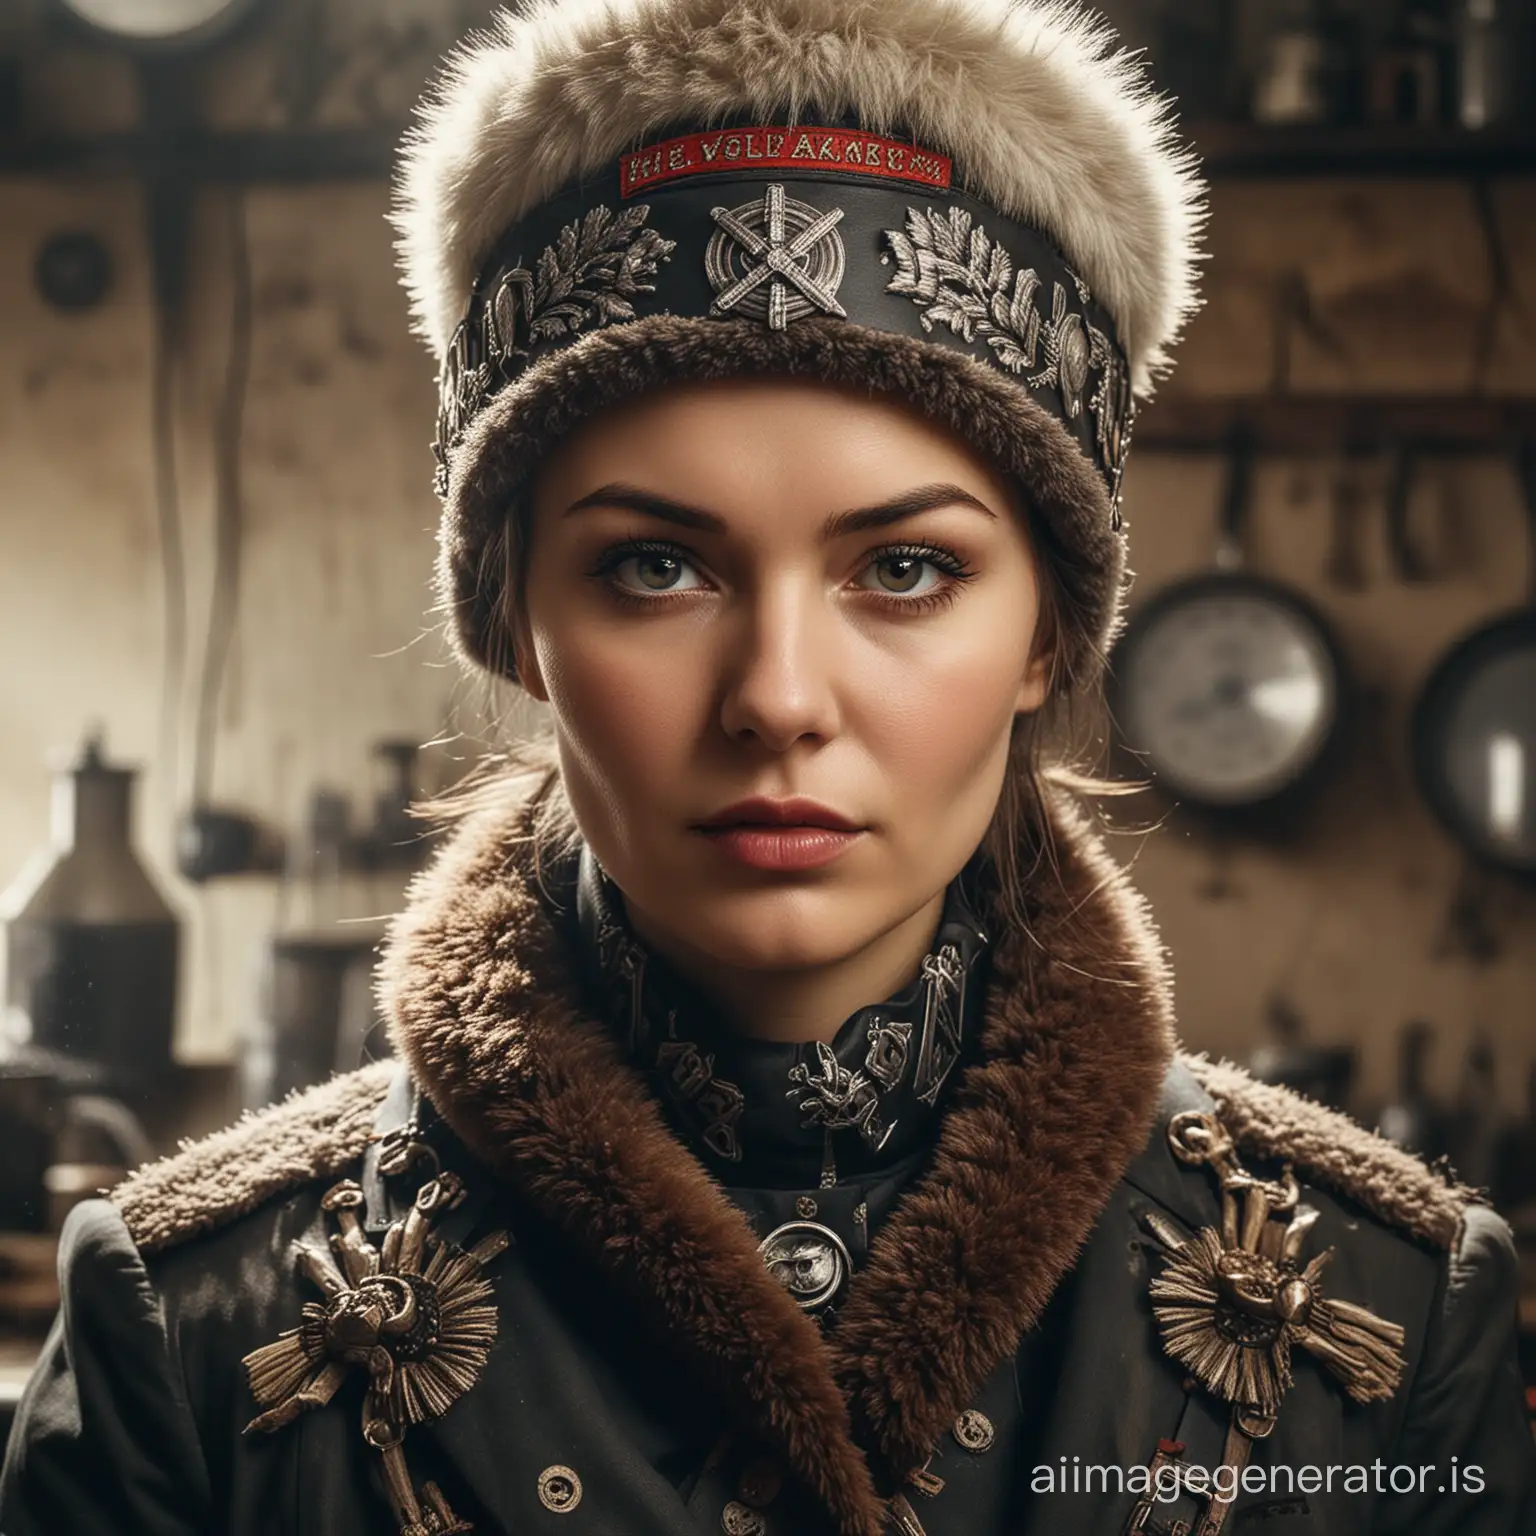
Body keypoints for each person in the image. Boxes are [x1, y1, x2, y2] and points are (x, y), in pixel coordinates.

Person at [3, 0, 1533, 1531]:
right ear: (514, 626)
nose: (778, 698)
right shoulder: (187, 1336)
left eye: (909, 570)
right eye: (656, 566)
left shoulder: (1388, 1328)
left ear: (1049, 641)